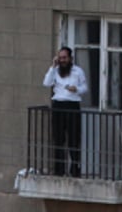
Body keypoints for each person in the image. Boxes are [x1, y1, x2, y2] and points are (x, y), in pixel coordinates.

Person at [42, 47, 89, 176]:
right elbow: (46, 83)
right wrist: (52, 66)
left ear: (70, 58)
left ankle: (74, 170)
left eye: (64, 58)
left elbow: (85, 88)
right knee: (58, 138)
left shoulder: (78, 71)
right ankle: (59, 169)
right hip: (58, 105)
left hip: (72, 105)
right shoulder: (55, 71)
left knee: (74, 138)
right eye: (60, 58)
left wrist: (77, 89)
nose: (62, 61)